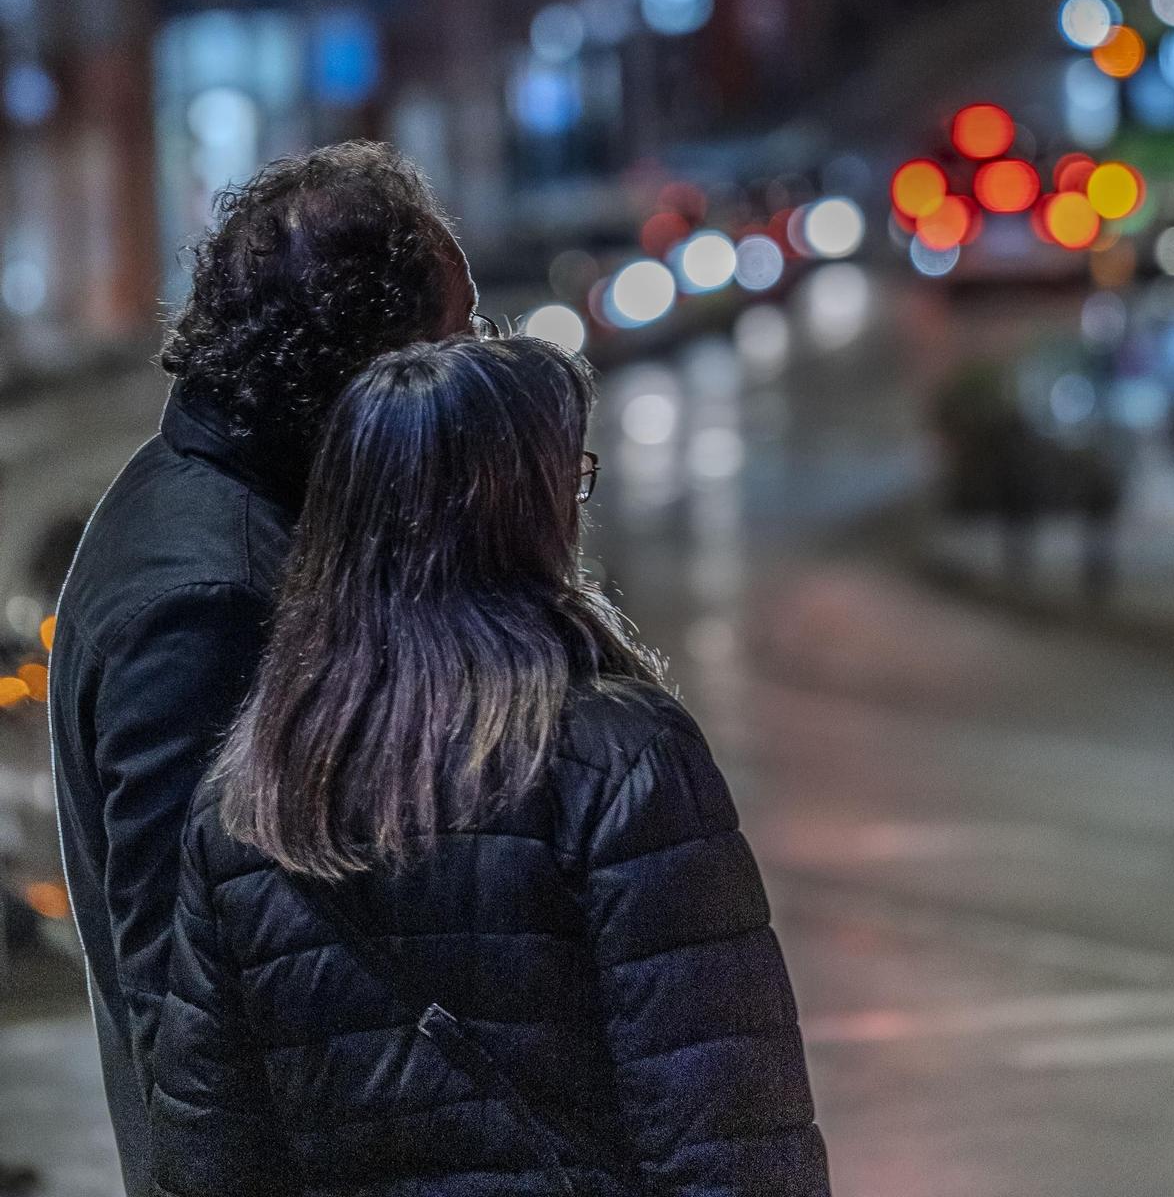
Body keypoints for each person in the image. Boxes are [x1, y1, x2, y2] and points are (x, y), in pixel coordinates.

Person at [149, 337, 830, 1196]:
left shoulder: (248, 797)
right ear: (518, 514)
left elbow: (207, 1153)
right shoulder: (616, 761)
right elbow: (727, 1126)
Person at [48, 143, 477, 1197]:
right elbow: (187, 1012)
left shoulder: (239, 509)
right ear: (356, 362)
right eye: (448, 346)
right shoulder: (209, 598)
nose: (462, 382)